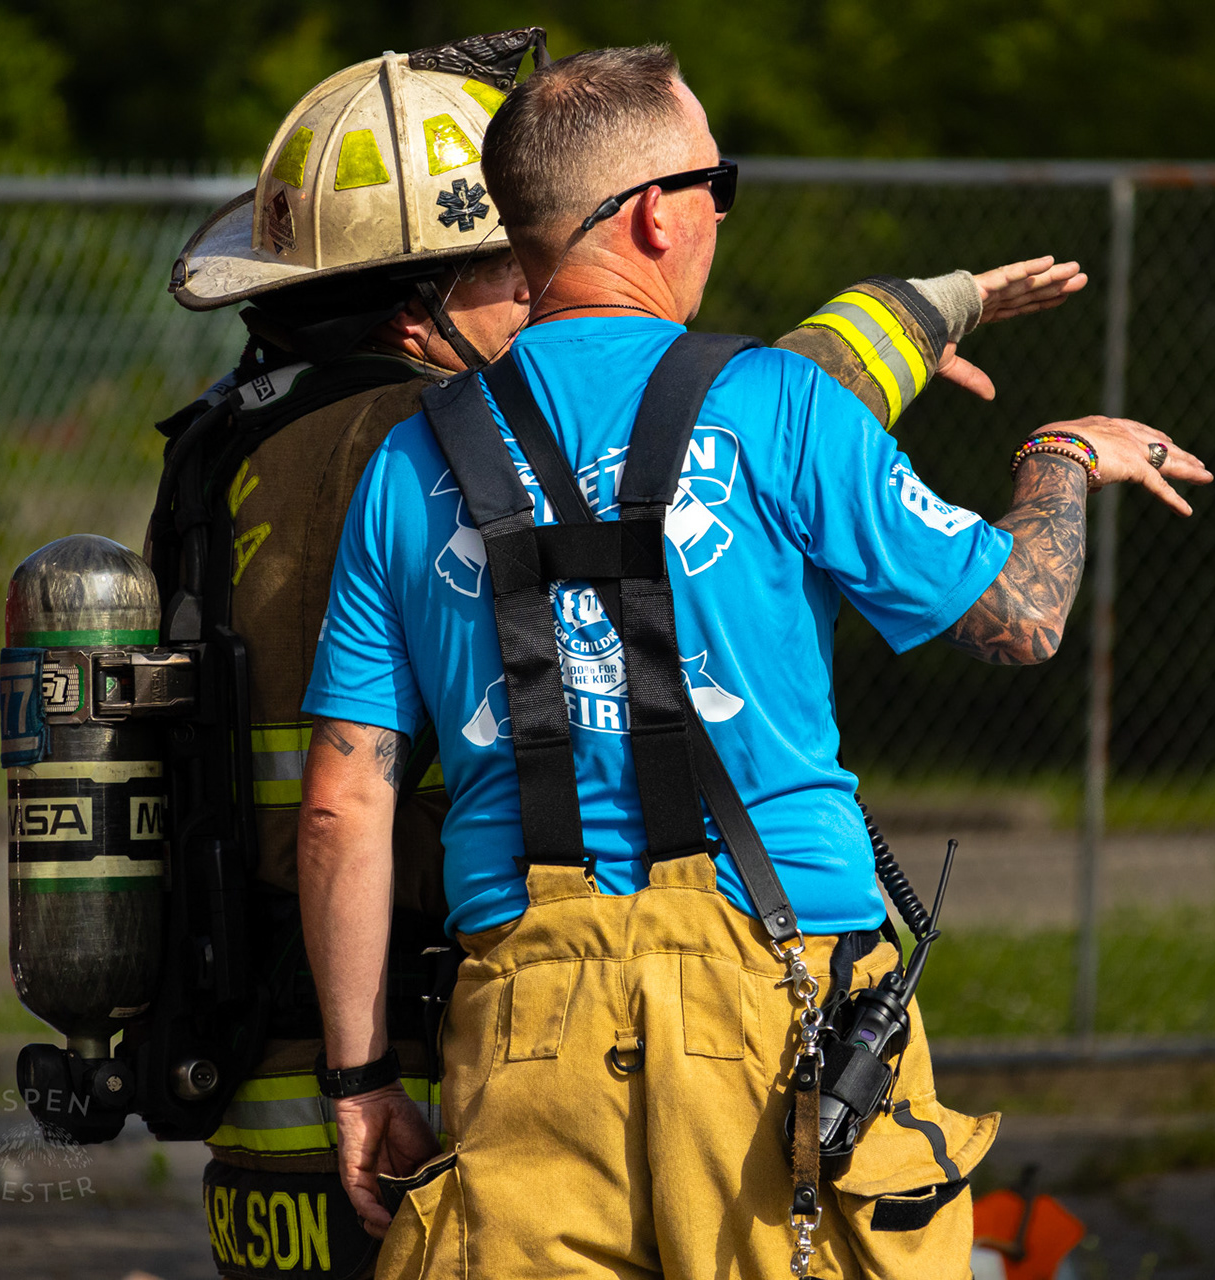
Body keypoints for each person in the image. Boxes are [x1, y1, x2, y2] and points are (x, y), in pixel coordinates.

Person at [158, 29, 1087, 1280]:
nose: (720, 215)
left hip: (522, 1014)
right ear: (653, 216)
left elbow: (343, 802)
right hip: (780, 995)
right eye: (717, 188)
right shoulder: (780, 402)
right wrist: (1062, 461)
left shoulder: (406, 464)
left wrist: (362, 1076)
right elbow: (1021, 617)